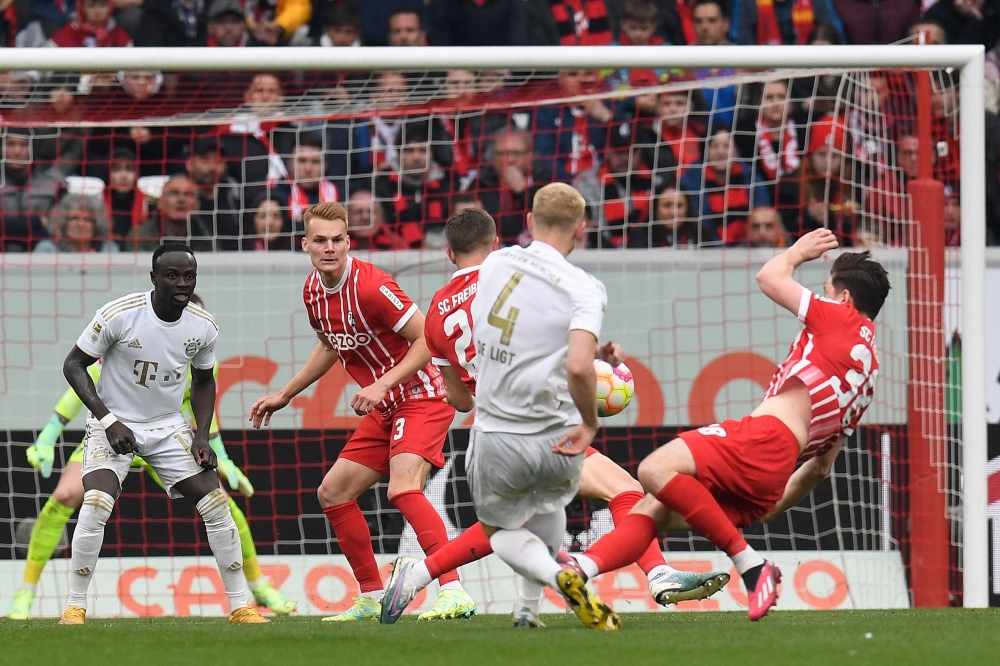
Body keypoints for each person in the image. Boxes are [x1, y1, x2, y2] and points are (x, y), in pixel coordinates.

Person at [379, 205, 728, 628]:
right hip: (542, 422)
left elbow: (460, 401)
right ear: (495, 244)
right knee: (625, 491)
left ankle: (439, 584)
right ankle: (656, 574)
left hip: (488, 434)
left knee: (509, 527)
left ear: (449, 254)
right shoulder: (511, 284)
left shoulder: (435, 311)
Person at [561, 228, 890, 621]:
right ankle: (583, 570)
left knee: (653, 470)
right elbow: (820, 468)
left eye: (825, 288)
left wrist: (797, 252)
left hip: (766, 438)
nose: (821, 295)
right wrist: (769, 506)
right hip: (777, 472)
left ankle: (751, 566)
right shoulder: (868, 374)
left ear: (845, 298)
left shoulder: (841, 316)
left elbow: (769, 276)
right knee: (651, 510)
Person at [249, 202, 477, 622]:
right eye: (320, 240)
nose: (330, 247)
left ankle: (454, 590)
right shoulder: (312, 291)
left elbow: (428, 337)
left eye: (338, 240)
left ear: (349, 242)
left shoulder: (372, 285)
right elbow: (331, 345)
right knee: (332, 493)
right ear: (305, 245)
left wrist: (383, 382)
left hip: (422, 394)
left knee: (403, 488)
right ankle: (371, 596)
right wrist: (285, 393)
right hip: (385, 403)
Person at [8, 293, 295, 619]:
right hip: (114, 430)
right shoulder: (135, 344)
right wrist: (47, 437)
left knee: (220, 502)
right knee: (65, 495)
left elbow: (203, 412)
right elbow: (82, 387)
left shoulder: (195, 358)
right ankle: (26, 593)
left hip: (164, 436)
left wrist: (223, 458)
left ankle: (257, 587)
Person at [58, 244, 267, 624]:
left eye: (189, 276)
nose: (182, 284)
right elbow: (73, 365)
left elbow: (204, 380)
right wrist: (108, 421)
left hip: (168, 426)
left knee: (217, 506)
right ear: (153, 278)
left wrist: (201, 434)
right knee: (96, 503)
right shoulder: (119, 315)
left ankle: (240, 606)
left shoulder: (203, 325)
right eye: (172, 276)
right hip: (113, 422)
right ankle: (75, 606)